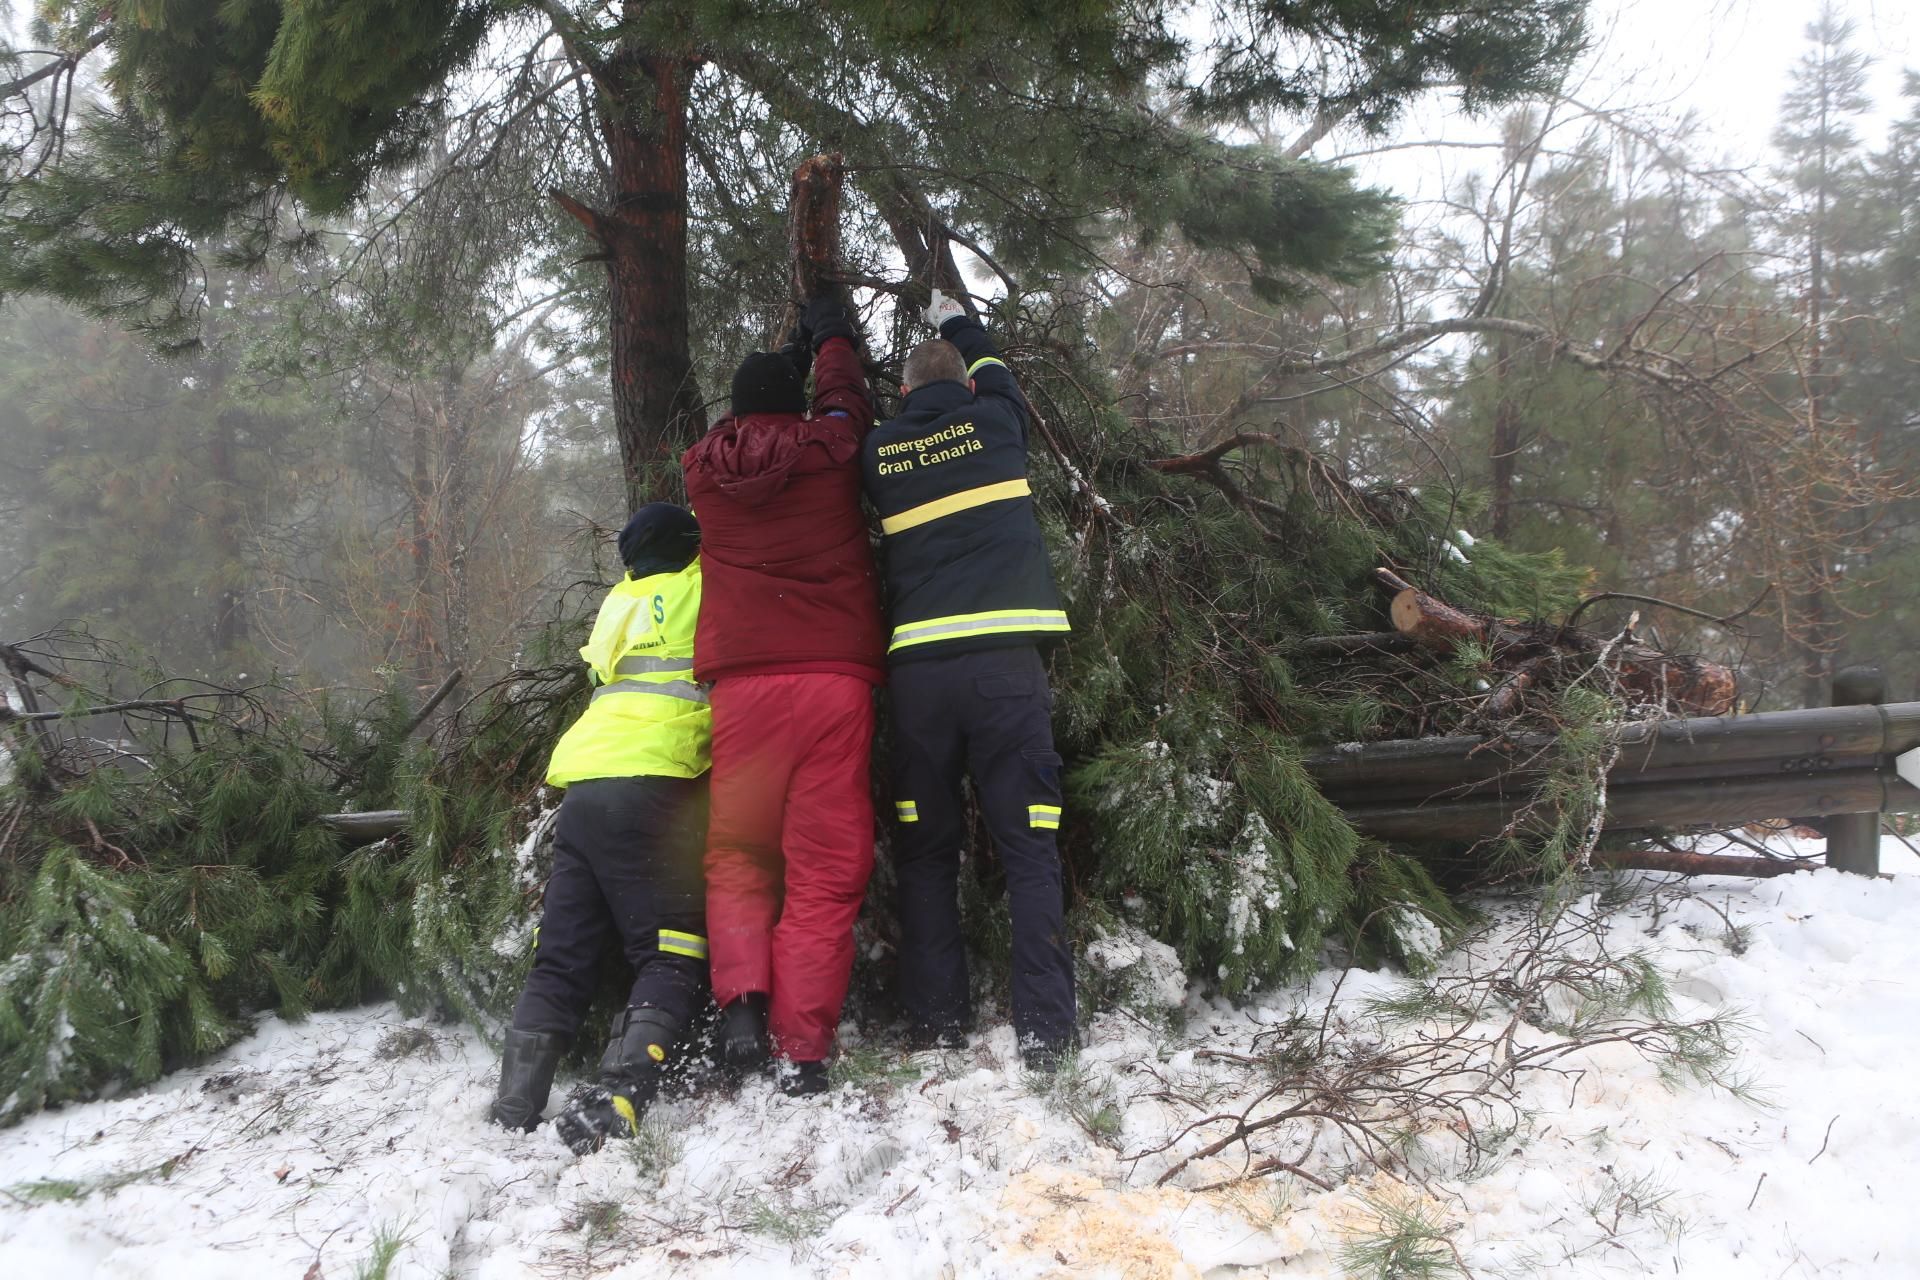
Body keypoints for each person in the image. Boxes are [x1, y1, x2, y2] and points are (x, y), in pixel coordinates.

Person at [860, 290, 1076, 1069]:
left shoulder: (881, 450)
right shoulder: (997, 419)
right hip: (1005, 674)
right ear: (969, 388)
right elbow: (997, 371)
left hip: (920, 681)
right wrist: (957, 317)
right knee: (1030, 851)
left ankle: (938, 1023)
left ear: (907, 394)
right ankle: (1047, 1031)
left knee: (925, 853)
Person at [681, 291, 885, 1095]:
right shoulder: (829, 450)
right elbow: (844, 405)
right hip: (833, 680)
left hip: (743, 689)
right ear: (795, 405)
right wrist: (831, 336)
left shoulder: (700, 470)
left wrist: (784, 369)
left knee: (737, 852)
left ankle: (741, 1003)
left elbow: (764, 430)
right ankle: (802, 1052)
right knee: (826, 867)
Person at [489, 503, 712, 1153]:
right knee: (670, 950)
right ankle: (621, 1092)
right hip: (652, 789)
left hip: (584, 789)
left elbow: (599, 671)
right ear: (691, 549)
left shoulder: (618, 604)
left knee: (560, 956)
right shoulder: (702, 590)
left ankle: (514, 1106)